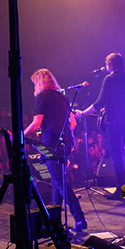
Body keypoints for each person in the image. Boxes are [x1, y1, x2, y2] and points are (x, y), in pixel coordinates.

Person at [24, 68, 88, 232]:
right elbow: (73, 123)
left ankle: (80, 219)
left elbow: (37, 124)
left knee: (59, 181)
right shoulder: (62, 97)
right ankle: (54, 221)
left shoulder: (42, 97)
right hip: (66, 142)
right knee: (56, 180)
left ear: (39, 83)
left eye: (34, 85)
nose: (34, 88)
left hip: (52, 143)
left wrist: (21, 135)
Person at [77, 53, 125, 199]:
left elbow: (99, 102)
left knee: (116, 155)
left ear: (111, 64)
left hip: (113, 122)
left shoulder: (109, 79)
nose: (105, 65)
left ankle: (120, 189)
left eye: (106, 62)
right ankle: (124, 186)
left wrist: (83, 114)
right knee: (121, 153)